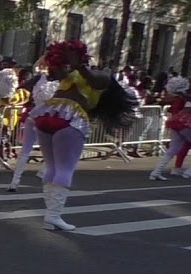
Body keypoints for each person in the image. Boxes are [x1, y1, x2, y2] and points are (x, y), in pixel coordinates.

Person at [28, 40, 138, 230]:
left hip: (49, 115)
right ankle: (52, 215)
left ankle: (51, 215)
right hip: (63, 118)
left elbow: (95, 79)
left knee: (54, 167)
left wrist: (78, 64)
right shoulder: (71, 75)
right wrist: (55, 59)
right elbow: (54, 74)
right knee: (62, 168)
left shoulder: (101, 78)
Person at [7, 69, 56, 192]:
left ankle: (15, 182)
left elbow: (21, 90)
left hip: (34, 116)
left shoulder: (39, 78)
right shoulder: (62, 80)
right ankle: (43, 171)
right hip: (48, 118)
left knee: (26, 150)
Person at [149, 76, 191, 181]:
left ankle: (156, 172)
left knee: (173, 148)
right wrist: (183, 95)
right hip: (187, 122)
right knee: (175, 148)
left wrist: (183, 95)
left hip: (179, 120)